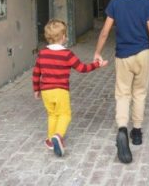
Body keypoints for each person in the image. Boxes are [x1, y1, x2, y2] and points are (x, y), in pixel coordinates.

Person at [93, 0, 149, 164]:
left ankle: (122, 129)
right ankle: (138, 132)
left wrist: (97, 52)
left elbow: (105, 31)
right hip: (143, 54)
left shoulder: (115, 3)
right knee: (140, 94)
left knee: (122, 94)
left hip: (123, 55)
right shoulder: (146, 3)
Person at [33, 19, 108, 157]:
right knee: (65, 114)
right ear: (63, 37)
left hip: (46, 91)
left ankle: (50, 140)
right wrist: (97, 65)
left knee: (52, 114)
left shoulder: (42, 53)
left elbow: (36, 72)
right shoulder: (67, 54)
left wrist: (36, 89)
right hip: (60, 90)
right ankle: (58, 135)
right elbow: (82, 68)